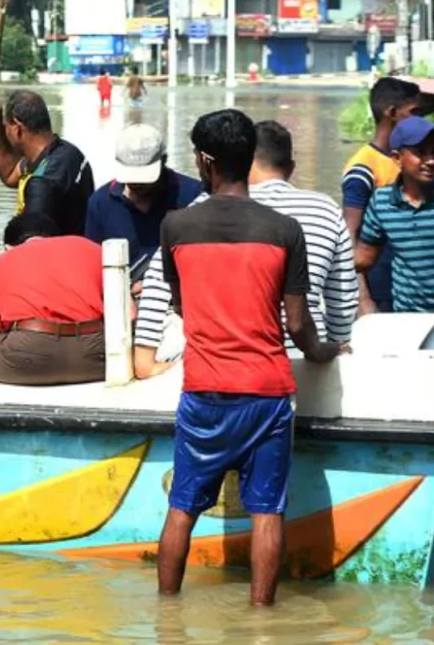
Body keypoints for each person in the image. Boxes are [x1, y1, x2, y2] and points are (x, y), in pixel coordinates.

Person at [153, 109, 340, 607]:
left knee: (181, 508)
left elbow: (180, 303)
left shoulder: (176, 226)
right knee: (266, 512)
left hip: (205, 391)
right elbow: (299, 325)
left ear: (207, 162)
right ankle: (261, 622)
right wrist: (326, 351)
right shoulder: (284, 230)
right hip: (266, 392)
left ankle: (165, 616)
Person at [133, 120, 358, 379]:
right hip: (300, 364)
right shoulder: (324, 210)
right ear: (291, 167)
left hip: (214, 367)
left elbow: (158, 288)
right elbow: (342, 300)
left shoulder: (194, 214)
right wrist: (332, 347)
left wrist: (145, 361)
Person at [0, 213, 105, 385]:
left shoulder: (1, 261)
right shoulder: (91, 248)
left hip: (30, 351)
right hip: (96, 351)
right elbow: (128, 314)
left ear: (8, 247)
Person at [343, 77, 423, 315]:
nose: (420, 120)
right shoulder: (363, 168)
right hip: (381, 291)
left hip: (413, 294)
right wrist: (363, 299)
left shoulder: (411, 161)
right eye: (414, 112)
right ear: (392, 113)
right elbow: (350, 237)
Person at [84, 124, 203, 269]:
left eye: (144, 178)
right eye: (132, 176)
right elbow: (92, 264)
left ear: (163, 161)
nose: (138, 183)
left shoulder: (193, 196)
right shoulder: (100, 204)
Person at [0, 90, 94, 236]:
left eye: (6, 126)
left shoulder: (41, 183)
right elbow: (9, 174)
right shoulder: (70, 152)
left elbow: (30, 244)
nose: (6, 131)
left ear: (17, 128)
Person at [356, 115, 434, 312]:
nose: (431, 160)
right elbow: (362, 261)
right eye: (420, 152)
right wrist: (365, 304)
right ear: (397, 158)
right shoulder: (382, 203)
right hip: (407, 321)